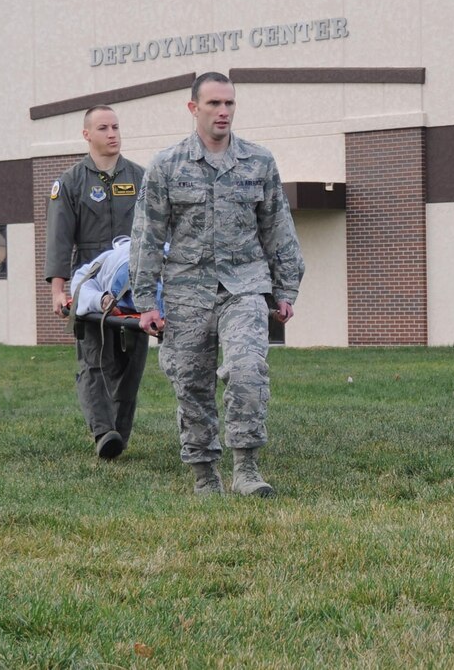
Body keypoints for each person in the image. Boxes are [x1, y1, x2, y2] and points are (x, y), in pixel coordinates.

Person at [129, 72, 304, 496]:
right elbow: (147, 236)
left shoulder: (258, 162)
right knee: (191, 382)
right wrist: (144, 301)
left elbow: (278, 228)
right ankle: (205, 474)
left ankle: (246, 470)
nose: (223, 112)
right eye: (213, 104)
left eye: (229, 104)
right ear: (194, 109)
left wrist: (286, 289)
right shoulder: (166, 166)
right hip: (187, 291)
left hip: (245, 286)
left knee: (247, 370)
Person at [45, 105, 148, 460]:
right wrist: (59, 291)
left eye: (116, 126)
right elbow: (59, 239)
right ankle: (104, 432)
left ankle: (119, 432)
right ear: (87, 134)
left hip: (134, 281)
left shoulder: (140, 177)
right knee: (94, 360)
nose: (112, 133)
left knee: (131, 364)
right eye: (103, 128)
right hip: (89, 280)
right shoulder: (71, 182)